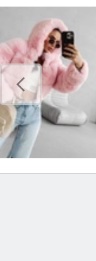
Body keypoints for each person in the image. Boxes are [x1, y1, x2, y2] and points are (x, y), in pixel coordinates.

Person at [0, 18, 88, 158]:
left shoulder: (54, 63)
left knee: (21, 157)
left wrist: (78, 64)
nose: (53, 45)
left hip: (33, 113)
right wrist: (6, 96)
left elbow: (65, 84)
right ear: (42, 34)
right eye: (51, 39)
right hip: (9, 108)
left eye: (58, 44)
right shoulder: (19, 46)